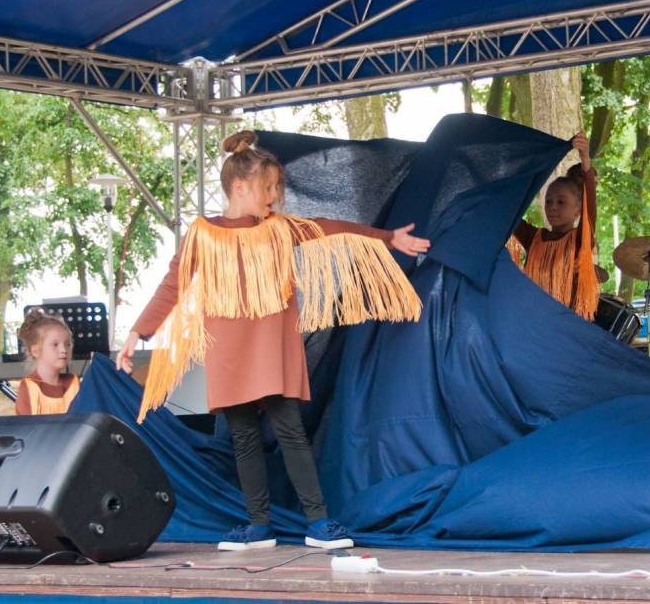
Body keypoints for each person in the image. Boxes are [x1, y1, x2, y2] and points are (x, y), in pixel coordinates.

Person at [116, 130, 429, 552]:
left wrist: (388, 238)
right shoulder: (202, 235)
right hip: (229, 352)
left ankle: (318, 522)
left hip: (271, 348)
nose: (277, 196)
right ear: (240, 187)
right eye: (270, 188)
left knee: (289, 431)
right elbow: (173, 284)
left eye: (279, 188)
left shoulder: (280, 229)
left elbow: (329, 228)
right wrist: (138, 331)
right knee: (243, 436)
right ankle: (259, 524)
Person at [510, 132, 599, 320]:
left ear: (577, 210)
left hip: (569, 329)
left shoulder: (580, 240)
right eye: (548, 202)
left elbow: (590, 209)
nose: (552, 207)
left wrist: (585, 159)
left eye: (561, 202)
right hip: (535, 324)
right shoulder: (533, 238)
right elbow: (509, 214)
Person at [15, 308, 79, 415]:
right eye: (55, 344)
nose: (64, 350)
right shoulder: (29, 387)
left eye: (67, 344)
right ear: (35, 351)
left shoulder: (74, 382)